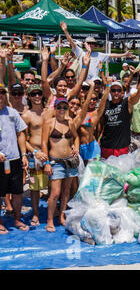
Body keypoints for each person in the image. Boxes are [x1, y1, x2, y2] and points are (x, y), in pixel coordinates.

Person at [41, 98, 80, 232]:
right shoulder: (49, 123)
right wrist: (46, 163)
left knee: (66, 191)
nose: (62, 109)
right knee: (55, 193)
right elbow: (44, 143)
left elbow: (76, 137)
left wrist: (76, 147)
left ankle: (62, 217)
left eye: (64, 107)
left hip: (70, 161)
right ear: (55, 108)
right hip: (55, 162)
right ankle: (50, 220)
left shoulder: (70, 122)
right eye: (59, 107)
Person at [21, 84, 53, 226]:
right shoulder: (26, 115)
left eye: (39, 93)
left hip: (51, 153)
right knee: (35, 187)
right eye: (33, 94)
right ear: (28, 96)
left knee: (54, 184)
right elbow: (22, 138)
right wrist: (34, 152)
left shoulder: (50, 112)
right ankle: (35, 214)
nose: (37, 97)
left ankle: (54, 212)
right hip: (35, 156)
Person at [60, 21, 135, 81]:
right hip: (82, 82)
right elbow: (71, 42)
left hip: (94, 82)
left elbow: (111, 55)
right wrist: (65, 31)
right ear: (85, 44)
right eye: (89, 43)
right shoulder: (81, 52)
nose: (91, 45)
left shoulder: (98, 54)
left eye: (93, 43)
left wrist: (124, 54)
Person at [0, 83, 29, 233]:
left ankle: (17, 219)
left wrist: (23, 154)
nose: (0, 96)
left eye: (1, 93)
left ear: (5, 95)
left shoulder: (12, 112)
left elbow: (21, 133)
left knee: (18, 191)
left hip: (15, 159)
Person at [99, 68, 140, 159]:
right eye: (113, 90)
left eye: (118, 90)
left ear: (122, 93)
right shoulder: (105, 104)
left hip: (122, 147)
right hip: (106, 146)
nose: (116, 93)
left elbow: (139, 93)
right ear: (110, 92)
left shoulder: (127, 103)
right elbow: (100, 124)